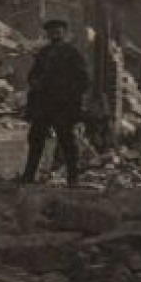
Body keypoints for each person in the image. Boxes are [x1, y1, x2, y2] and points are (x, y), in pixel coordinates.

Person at [23, 18, 89, 186]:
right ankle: (28, 176)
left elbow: (84, 80)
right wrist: (35, 83)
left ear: (64, 33)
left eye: (58, 30)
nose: (55, 33)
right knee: (36, 139)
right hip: (43, 106)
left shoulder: (72, 53)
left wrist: (69, 94)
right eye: (51, 31)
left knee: (67, 141)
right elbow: (32, 75)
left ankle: (73, 179)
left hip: (63, 106)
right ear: (48, 34)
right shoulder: (43, 53)